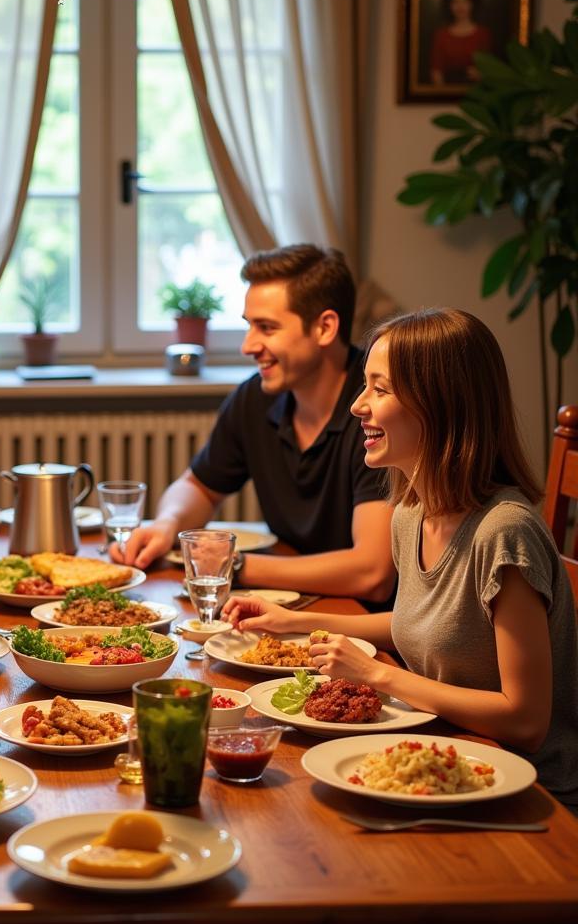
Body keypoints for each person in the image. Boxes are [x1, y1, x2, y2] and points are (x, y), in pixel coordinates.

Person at [224, 308, 578, 809]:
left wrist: (377, 676)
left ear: (441, 405)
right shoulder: (411, 513)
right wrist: (295, 622)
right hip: (449, 755)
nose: (357, 406)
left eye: (380, 389)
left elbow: (525, 720)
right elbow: (426, 624)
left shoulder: (504, 533)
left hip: (532, 793)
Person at [117, 244, 396, 604]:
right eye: (249, 326)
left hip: (372, 628)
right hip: (305, 606)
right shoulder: (256, 398)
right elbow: (199, 486)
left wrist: (234, 565)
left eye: (267, 328)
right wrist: (167, 525)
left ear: (325, 327)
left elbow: (372, 573)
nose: (248, 346)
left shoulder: (376, 409)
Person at [429, 0, 492, 85]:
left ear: (472, 4)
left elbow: (491, 69)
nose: (460, 6)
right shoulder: (441, 35)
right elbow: (436, 71)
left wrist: (481, 75)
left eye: (465, 1)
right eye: (455, 1)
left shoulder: (483, 34)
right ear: (449, 6)